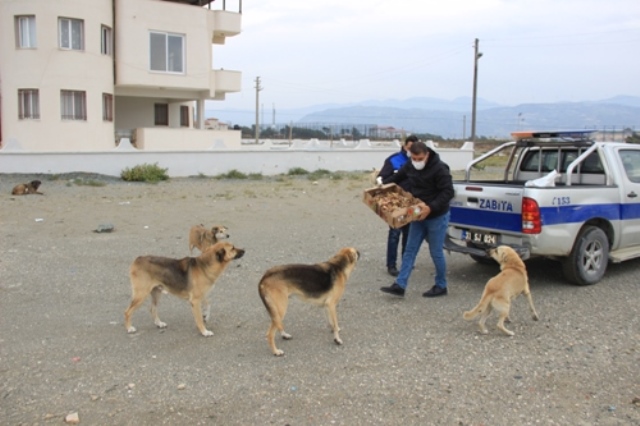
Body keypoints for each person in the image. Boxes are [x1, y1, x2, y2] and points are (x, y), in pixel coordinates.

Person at [379, 141, 454, 298]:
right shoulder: (410, 165)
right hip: (417, 214)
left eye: (420, 158)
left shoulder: (440, 168)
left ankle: (441, 285)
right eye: (414, 158)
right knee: (410, 250)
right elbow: (397, 177)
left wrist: (431, 207)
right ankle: (400, 285)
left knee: (436, 252)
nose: (417, 162)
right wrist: (381, 187)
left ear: (426, 155)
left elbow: (448, 192)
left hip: (437, 216)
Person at [376, 135, 417, 277]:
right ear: (405, 146)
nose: (411, 151)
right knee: (394, 234)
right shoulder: (393, 160)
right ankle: (391, 265)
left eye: (414, 148)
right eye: (410, 147)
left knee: (409, 234)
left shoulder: (418, 161)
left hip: (412, 203)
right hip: (396, 204)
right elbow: (382, 179)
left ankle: (407, 263)